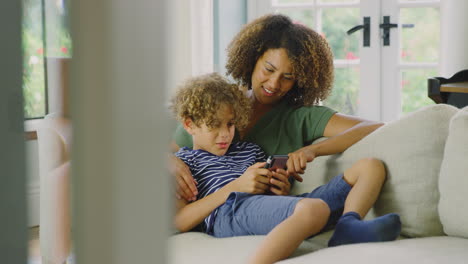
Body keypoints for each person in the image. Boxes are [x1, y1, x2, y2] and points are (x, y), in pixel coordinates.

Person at [170, 73, 401, 264]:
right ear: (189, 124)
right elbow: (180, 220)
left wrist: (278, 189)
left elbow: (271, 201)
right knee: (315, 209)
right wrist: (235, 187)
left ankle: (349, 226)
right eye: (214, 125)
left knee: (370, 167)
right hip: (228, 213)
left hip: (269, 208)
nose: (225, 134)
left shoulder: (251, 150)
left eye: (230, 124)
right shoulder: (185, 163)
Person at [171, 13, 385, 203]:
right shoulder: (217, 101)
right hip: (212, 214)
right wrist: (170, 161)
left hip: (262, 211)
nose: (274, 83)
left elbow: (373, 127)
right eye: (269, 69)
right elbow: (170, 149)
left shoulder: (301, 117)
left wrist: (311, 151)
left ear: (300, 80)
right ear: (252, 60)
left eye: (288, 77)